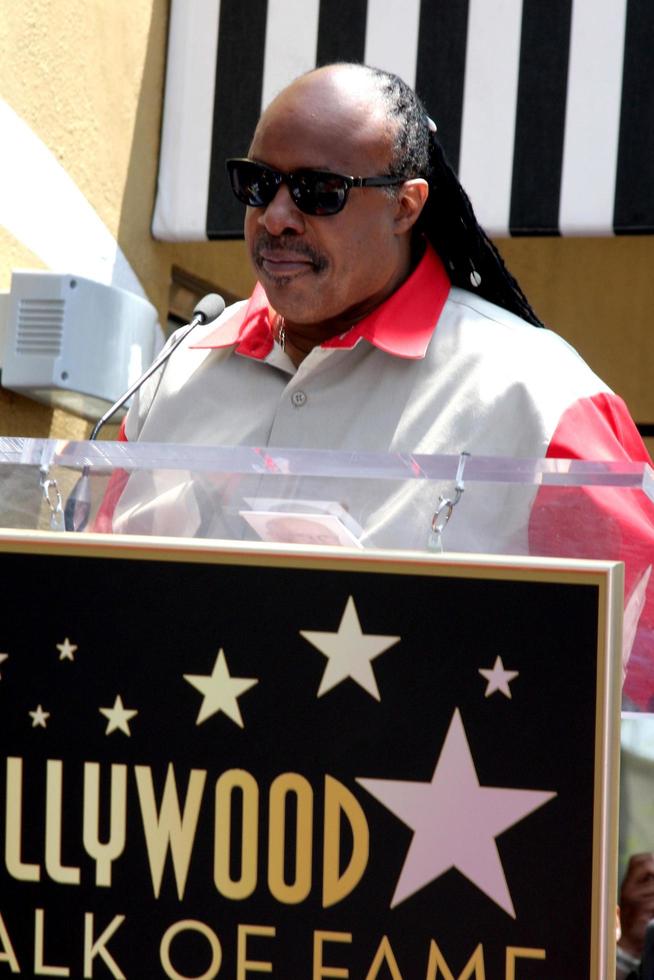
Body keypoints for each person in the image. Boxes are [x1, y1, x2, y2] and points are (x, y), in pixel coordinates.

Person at [100, 63, 653, 699]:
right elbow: (96, 589)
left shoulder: (538, 396)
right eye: (259, 184)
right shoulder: (180, 365)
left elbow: (640, 675)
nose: (276, 215)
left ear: (406, 205)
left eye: (318, 191)